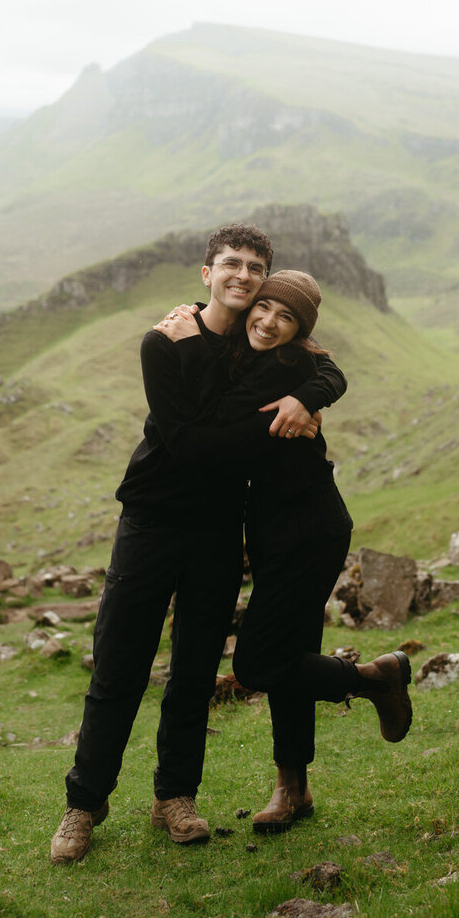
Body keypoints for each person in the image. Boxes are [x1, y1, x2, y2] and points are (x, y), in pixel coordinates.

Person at [50, 225, 347, 863]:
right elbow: (185, 444)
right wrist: (271, 425)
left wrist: (302, 397)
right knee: (119, 667)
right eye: (231, 265)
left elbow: (328, 369)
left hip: (218, 528)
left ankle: (174, 798)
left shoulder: (265, 344)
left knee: (192, 673)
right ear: (206, 274)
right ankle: (83, 804)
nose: (244, 278)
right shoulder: (166, 340)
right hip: (153, 519)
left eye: (255, 269)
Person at [154, 270, 412, 832]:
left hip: (309, 528)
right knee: (292, 657)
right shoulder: (253, 355)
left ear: (299, 331)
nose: (268, 322)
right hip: (272, 532)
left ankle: (373, 679)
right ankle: (293, 789)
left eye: (285, 316)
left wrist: (190, 346)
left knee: (257, 663)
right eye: (263, 307)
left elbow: (228, 418)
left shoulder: (289, 363)